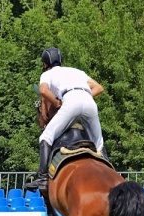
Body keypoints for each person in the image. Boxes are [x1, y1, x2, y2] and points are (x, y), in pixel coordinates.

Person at [24, 47, 105, 191]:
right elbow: (99, 88)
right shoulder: (76, 71)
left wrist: (56, 103)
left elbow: (43, 91)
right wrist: (83, 96)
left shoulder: (47, 74)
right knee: (99, 144)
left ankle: (42, 179)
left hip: (70, 101)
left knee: (46, 137)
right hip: (89, 101)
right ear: (61, 61)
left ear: (45, 64)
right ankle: (108, 174)